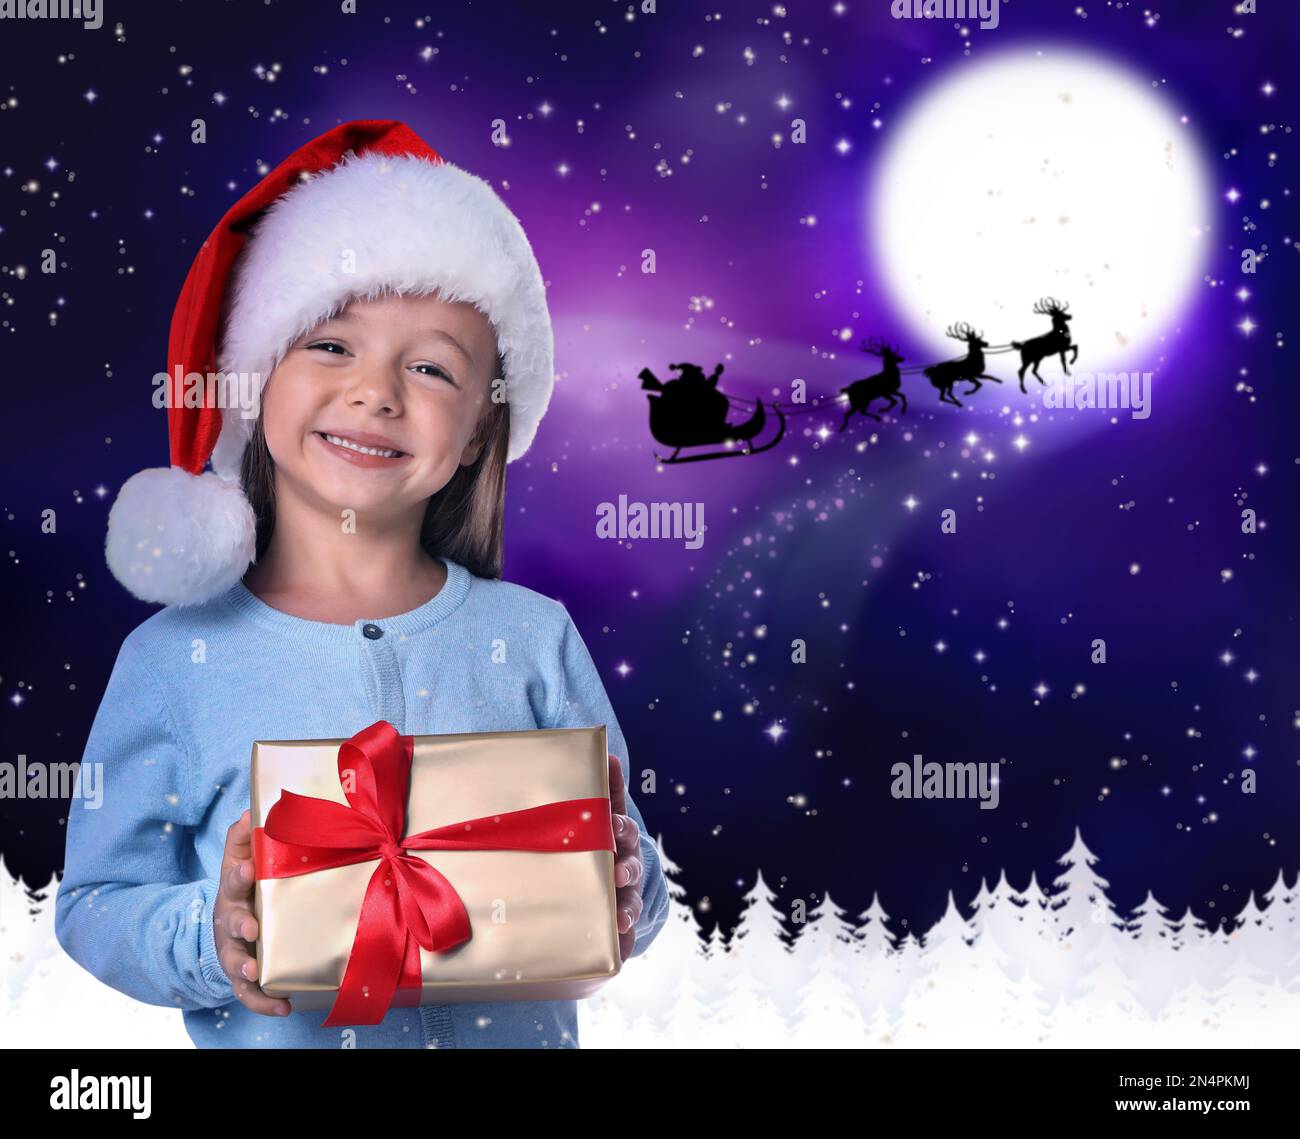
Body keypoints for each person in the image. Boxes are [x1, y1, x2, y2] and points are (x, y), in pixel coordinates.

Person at [53, 120, 670, 1048]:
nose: (377, 391)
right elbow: (95, 901)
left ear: (475, 435)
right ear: (257, 383)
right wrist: (208, 936)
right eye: (332, 346)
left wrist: (629, 881)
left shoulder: (536, 636)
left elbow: (631, 890)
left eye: (431, 367)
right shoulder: (176, 658)